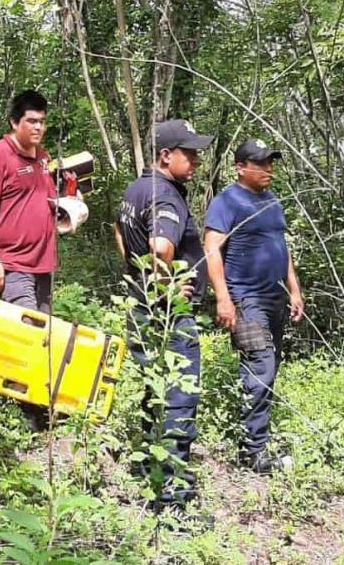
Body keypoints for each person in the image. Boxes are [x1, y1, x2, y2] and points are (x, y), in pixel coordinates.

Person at [115, 119, 212, 510]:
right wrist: (168, 285)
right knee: (178, 395)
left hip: (141, 306)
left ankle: (148, 473)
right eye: (189, 154)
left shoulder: (136, 189)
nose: (196, 162)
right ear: (165, 155)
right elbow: (159, 247)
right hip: (167, 314)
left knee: (153, 392)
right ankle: (174, 495)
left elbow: (120, 233)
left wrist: (139, 278)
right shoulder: (167, 196)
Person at [204, 139, 305, 475]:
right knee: (260, 368)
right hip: (247, 299)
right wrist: (223, 299)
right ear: (240, 166)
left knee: (270, 365)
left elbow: (281, 246)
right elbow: (212, 251)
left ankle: (255, 437)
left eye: (270, 163)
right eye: (260, 163)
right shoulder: (227, 202)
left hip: (275, 298)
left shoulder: (273, 201)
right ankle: (253, 453)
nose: (268, 170)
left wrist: (295, 289)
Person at [0, 90, 58, 312]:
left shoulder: (43, 157)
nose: (38, 127)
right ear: (14, 122)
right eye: (31, 121)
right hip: (13, 264)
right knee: (26, 330)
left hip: (43, 264)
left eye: (42, 121)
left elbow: (47, 201)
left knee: (44, 337)